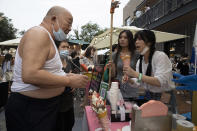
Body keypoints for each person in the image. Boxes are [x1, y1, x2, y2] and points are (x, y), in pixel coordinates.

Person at [5, 6, 88, 131]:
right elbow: (30, 74)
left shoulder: (47, 38)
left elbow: (47, 71)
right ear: (54, 19)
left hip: (42, 108)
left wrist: (66, 76)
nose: (70, 28)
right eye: (69, 22)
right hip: (31, 110)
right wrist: (68, 81)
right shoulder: (38, 34)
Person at [123, 30, 176, 112]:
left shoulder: (160, 56)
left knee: (165, 123)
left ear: (149, 42)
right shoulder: (140, 61)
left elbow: (159, 81)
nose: (136, 42)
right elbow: (139, 81)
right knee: (152, 122)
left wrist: (135, 74)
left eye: (140, 39)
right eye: (135, 40)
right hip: (149, 96)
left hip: (164, 96)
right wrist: (130, 80)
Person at [110, 30, 139, 102]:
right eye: (120, 37)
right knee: (118, 111)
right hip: (118, 87)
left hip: (132, 86)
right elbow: (113, 74)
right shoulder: (114, 54)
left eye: (125, 37)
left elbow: (139, 72)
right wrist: (110, 67)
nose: (122, 39)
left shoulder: (136, 54)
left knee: (130, 111)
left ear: (130, 39)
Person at [55, 40, 75, 131]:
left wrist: (73, 83)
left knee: (70, 123)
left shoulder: (69, 61)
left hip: (69, 101)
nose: (66, 49)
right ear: (57, 48)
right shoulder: (54, 64)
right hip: (57, 103)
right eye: (63, 47)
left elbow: (71, 78)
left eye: (67, 47)